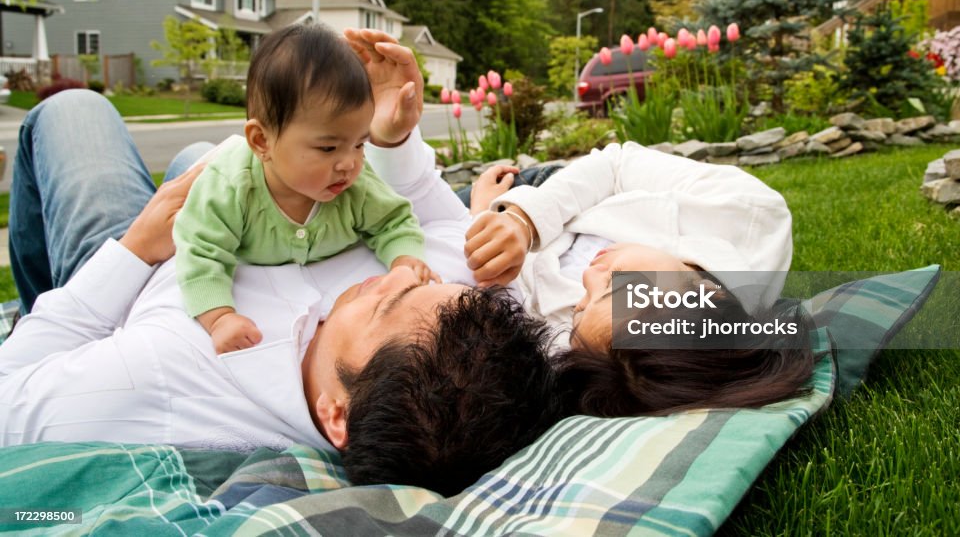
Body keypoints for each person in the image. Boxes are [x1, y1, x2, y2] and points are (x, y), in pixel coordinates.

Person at [0, 31, 559, 498]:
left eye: (380, 300)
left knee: (74, 109)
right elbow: (437, 227)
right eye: (418, 282)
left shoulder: (164, 379)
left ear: (337, 414)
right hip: (248, 193)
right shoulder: (457, 328)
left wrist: (133, 248)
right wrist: (390, 137)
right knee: (198, 158)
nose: (387, 276)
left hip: (142, 268)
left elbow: (9, 395)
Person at [462, 140, 816, 417]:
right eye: (617, 286)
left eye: (580, 311)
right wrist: (521, 219)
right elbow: (615, 165)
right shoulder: (746, 213)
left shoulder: (605, 361)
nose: (589, 277)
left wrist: (478, 221)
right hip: (551, 192)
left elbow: (496, 294)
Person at [174, 24, 434, 354]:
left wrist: (405, 258)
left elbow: (393, 221)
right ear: (261, 140)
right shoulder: (228, 188)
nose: (348, 164)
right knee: (189, 169)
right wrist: (220, 317)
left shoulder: (356, 185)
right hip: (205, 170)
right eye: (328, 149)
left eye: (359, 144)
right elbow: (200, 250)